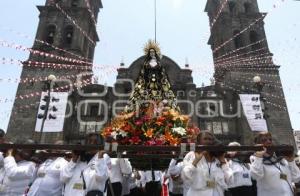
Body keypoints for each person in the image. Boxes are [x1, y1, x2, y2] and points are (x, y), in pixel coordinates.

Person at [128, 40, 177, 111]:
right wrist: (140, 84)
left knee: (161, 95)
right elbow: (142, 74)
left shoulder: (159, 63)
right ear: (148, 53)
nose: (152, 53)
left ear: (155, 52)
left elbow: (162, 73)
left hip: (158, 82)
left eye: (153, 52)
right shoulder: (146, 63)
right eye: (150, 52)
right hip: (148, 82)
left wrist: (164, 81)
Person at [181, 131, 232, 196]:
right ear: (199, 142)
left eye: (210, 139)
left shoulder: (217, 157)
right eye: (205, 139)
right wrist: (196, 161)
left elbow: (229, 180)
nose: (208, 141)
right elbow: (185, 176)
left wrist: (223, 161)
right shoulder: (191, 155)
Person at [250, 131, 300, 196]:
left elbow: (296, 178)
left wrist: (291, 161)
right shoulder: (255, 159)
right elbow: (255, 176)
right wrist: (259, 156)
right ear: (258, 144)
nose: (269, 142)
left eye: (270, 139)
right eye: (264, 140)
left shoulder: (281, 159)